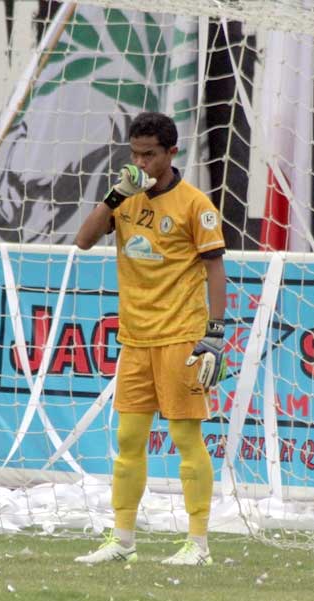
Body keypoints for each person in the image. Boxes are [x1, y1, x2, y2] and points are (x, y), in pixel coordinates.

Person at [74, 111, 227, 566]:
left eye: (150, 154)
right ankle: (123, 539)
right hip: (135, 338)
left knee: (185, 438)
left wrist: (214, 334)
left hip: (180, 337)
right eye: (135, 153)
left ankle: (197, 544)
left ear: (171, 153)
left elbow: (215, 270)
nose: (140, 161)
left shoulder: (195, 204)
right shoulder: (125, 197)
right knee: (128, 439)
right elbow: (83, 241)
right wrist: (114, 195)